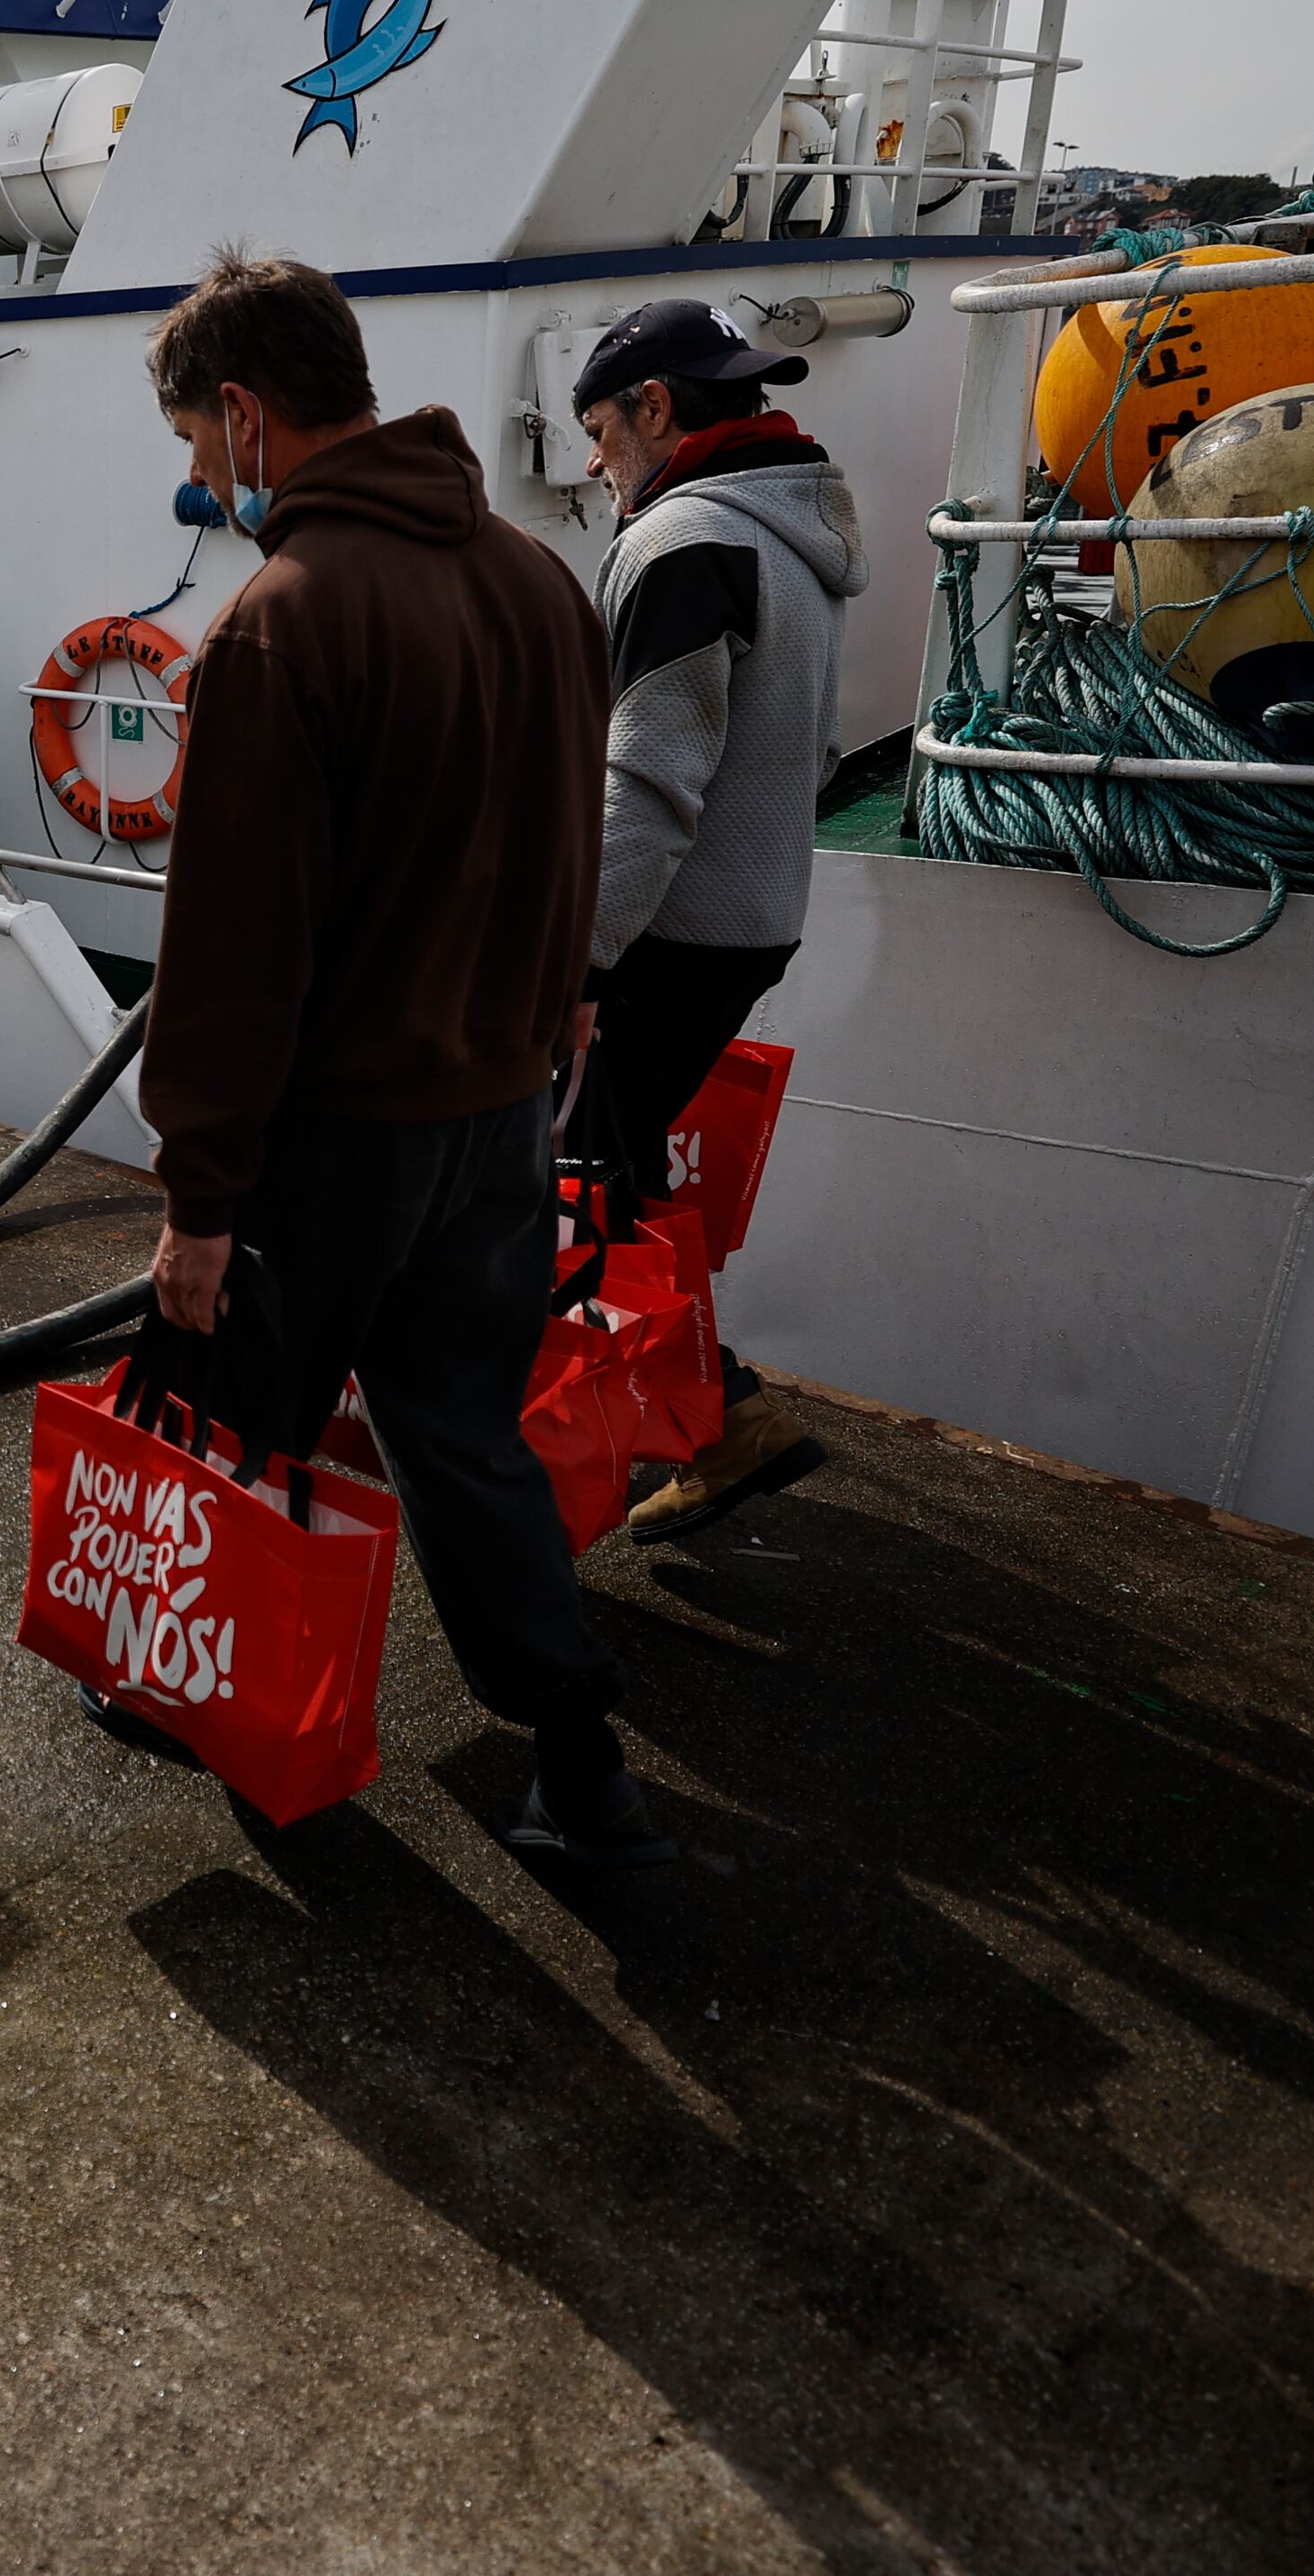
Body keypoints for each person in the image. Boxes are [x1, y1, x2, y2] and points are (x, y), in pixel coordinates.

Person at [129, 249, 669, 1870]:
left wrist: (200, 1202)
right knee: (460, 1436)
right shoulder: (537, 581)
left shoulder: (281, 624)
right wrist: (561, 1008)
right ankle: (582, 1762)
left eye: (197, 443)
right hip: (498, 1118)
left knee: (248, 1423)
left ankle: (225, 1699)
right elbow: (578, 828)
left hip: (336, 1143)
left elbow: (234, 957)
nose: (201, 476)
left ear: (246, 411)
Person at [566, 298, 865, 1538]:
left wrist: (572, 962)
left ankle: (712, 1421)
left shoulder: (685, 541)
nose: (593, 462)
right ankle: (705, 1419)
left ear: (655, 409)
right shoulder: (793, 529)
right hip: (748, 916)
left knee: (580, 1179)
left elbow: (649, 779)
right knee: (613, 1172)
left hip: (664, 933)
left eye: (599, 429)